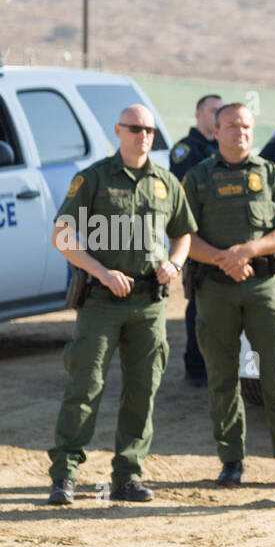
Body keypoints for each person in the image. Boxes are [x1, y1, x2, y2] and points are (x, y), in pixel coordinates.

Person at [46, 105, 196, 505]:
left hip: (150, 303)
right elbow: (62, 235)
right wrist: (99, 271)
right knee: (85, 385)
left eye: (149, 129)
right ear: (118, 131)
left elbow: (184, 234)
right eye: (135, 128)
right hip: (102, 301)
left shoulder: (166, 183)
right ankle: (65, 475)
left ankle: (128, 475)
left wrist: (174, 263)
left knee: (143, 389)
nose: (143, 135)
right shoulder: (93, 178)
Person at [181, 102, 275, 488]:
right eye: (233, 126)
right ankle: (231, 460)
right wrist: (225, 260)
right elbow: (183, 236)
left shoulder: (270, 174)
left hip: (263, 285)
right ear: (215, 132)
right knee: (222, 376)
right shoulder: (198, 177)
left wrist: (246, 252)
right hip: (216, 289)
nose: (241, 132)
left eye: (247, 126)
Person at [170, 94, 222, 388]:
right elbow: (183, 197)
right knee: (198, 303)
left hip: (222, 237)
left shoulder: (221, 148)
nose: (216, 116)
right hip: (196, 237)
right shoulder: (185, 150)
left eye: (220, 111)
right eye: (212, 110)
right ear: (198, 114)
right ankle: (195, 367)